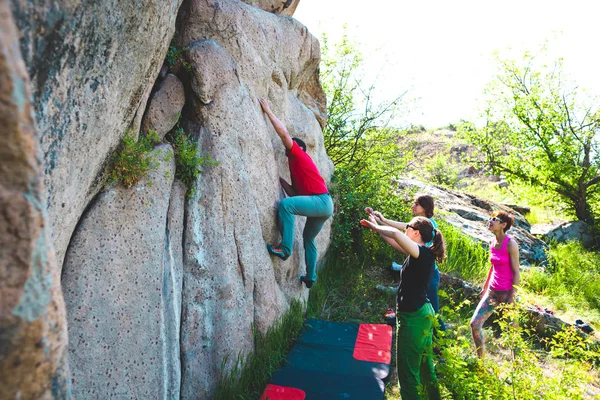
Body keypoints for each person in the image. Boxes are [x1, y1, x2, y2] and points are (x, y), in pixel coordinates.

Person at [360, 215, 444, 400]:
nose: (405, 228)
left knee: (407, 375)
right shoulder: (421, 252)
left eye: (408, 226)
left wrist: (377, 226)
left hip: (414, 318)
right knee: (424, 365)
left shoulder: (420, 253)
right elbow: (394, 239)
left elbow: (394, 233)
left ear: (415, 233)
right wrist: (378, 225)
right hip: (422, 314)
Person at [259, 99, 333, 289]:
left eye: (290, 146)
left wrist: (268, 110)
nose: (286, 149)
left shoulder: (300, 155)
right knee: (308, 238)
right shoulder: (297, 168)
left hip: (321, 202)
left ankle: (284, 249)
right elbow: (294, 192)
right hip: (323, 205)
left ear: (298, 148)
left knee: (286, 205)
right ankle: (310, 277)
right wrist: (279, 179)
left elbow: (283, 134)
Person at [366, 194, 446, 330]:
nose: (413, 206)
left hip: (429, 276)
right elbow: (399, 234)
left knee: (433, 313)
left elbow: (398, 236)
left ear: (425, 207)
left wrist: (378, 226)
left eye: (416, 204)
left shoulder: (426, 226)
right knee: (411, 301)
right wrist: (380, 222)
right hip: (421, 275)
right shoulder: (421, 227)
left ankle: (442, 343)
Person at [470, 210, 520, 358]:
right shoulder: (492, 242)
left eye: (495, 219)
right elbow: (493, 267)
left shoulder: (511, 244)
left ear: (503, 225)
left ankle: (517, 367)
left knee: (513, 332)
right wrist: (485, 288)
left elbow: (517, 272)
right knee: (474, 325)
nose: (490, 221)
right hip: (492, 292)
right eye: (490, 218)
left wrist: (512, 297)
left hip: (507, 293)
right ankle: (481, 360)